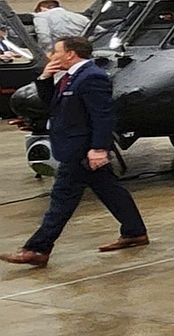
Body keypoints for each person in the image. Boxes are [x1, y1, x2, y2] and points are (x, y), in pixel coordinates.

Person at [1, 36, 148, 267]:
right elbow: (53, 105)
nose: (52, 55)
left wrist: (98, 148)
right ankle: (134, 232)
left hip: (80, 150)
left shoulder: (92, 77)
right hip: (74, 146)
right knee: (110, 191)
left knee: (61, 199)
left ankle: (37, 249)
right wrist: (45, 78)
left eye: (56, 51)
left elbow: (103, 116)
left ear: (70, 54)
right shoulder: (71, 77)